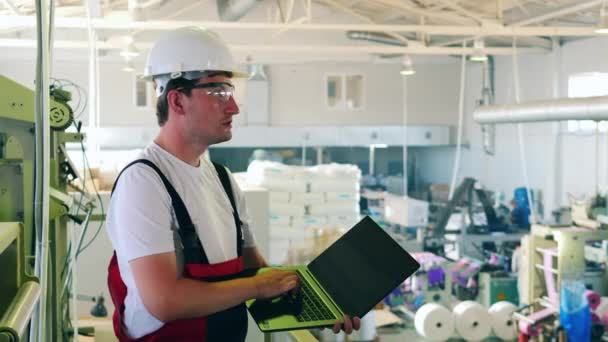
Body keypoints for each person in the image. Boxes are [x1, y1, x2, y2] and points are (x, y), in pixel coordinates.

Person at [105, 26, 360, 341]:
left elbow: (255, 269)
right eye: (219, 92)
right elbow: (164, 301)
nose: (234, 107)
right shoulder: (144, 182)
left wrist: (315, 300)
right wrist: (257, 286)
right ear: (177, 101)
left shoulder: (222, 179)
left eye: (231, 92)